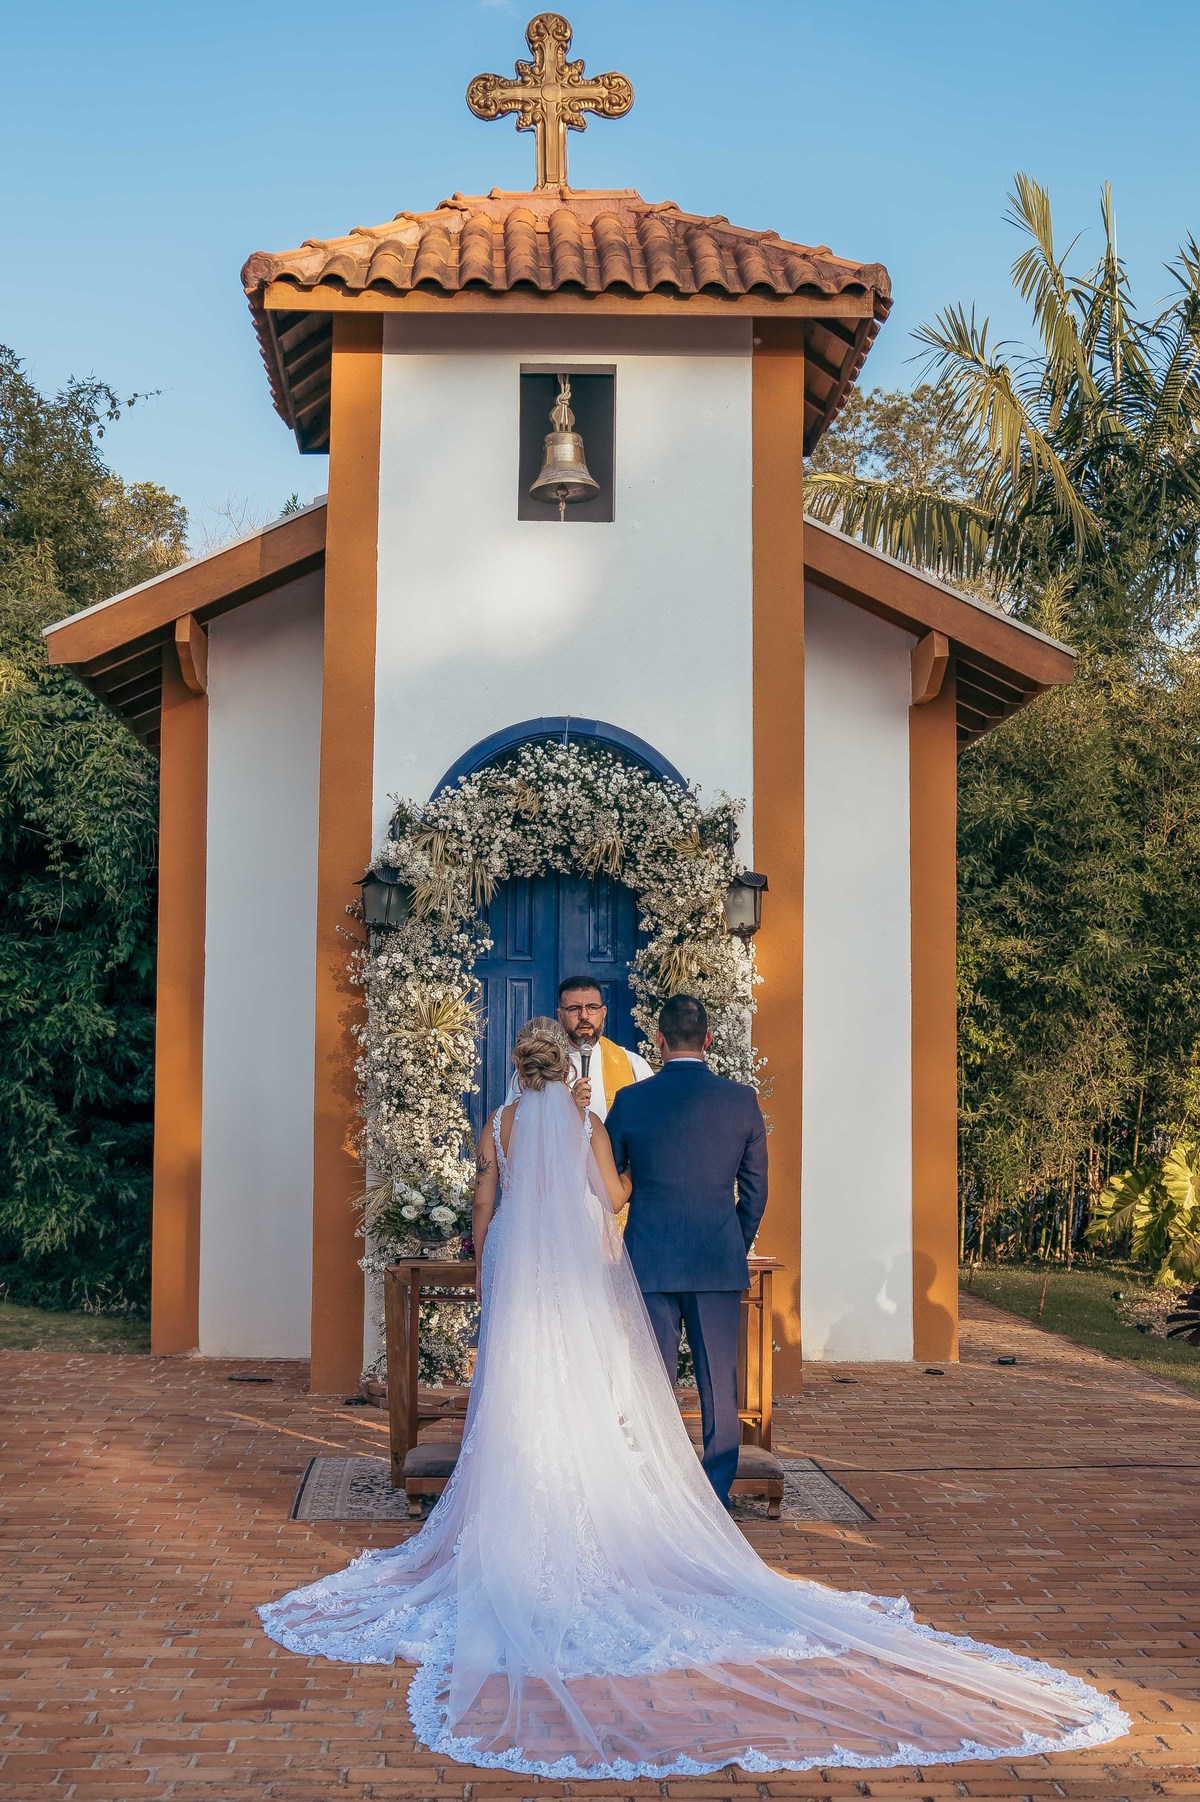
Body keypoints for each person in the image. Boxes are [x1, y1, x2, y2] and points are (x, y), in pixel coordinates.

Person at [258, 1016, 1127, 1781]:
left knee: (519, 1384)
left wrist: (490, 1255)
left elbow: (486, 1204)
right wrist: (628, 1192)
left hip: (521, 1268)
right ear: (564, 1067)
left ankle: (523, 1500)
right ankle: (616, 1499)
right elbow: (612, 1195)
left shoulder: (499, 1125)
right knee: (596, 1384)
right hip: (587, 1270)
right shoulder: (593, 1124)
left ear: (514, 1071)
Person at [605, 993, 766, 1508]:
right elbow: (757, 1189)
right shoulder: (741, 1100)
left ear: (659, 1040)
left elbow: (609, 1177)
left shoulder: (631, 1100)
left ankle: (656, 1485)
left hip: (650, 1256)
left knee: (653, 1377)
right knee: (720, 1381)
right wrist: (732, 1242)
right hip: (716, 1257)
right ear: (709, 1040)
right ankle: (714, 1494)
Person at [504, 975, 652, 1121]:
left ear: (603, 1012)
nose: (584, 1016)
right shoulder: (536, 1063)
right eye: (574, 1009)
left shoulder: (633, 1065)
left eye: (592, 1007)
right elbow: (517, 1124)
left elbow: (648, 1122)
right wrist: (569, 1106)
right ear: (560, 1015)